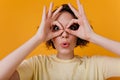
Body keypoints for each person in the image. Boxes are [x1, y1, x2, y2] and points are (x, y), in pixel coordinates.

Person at [0, 0, 120, 80]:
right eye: (56, 28)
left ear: (78, 34)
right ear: (49, 35)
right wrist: (37, 38)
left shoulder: (95, 65)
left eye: (72, 28)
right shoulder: (38, 64)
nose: (64, 34)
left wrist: (92, 36)